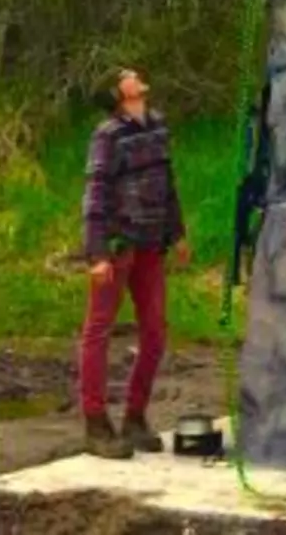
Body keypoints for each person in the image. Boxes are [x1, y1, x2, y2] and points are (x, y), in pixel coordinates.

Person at [79, 68, 191, 459]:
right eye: (126, 75)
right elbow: (94, 196)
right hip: (117, 244)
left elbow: (167, 182)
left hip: (150, 244)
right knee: (99, 329)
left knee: (156, 331)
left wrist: (176, 233)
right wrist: (96, 254)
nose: (135, 74)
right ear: (118, 93)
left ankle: (135, 416)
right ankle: (95, 423)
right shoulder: (108, 135)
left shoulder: (157, 125)